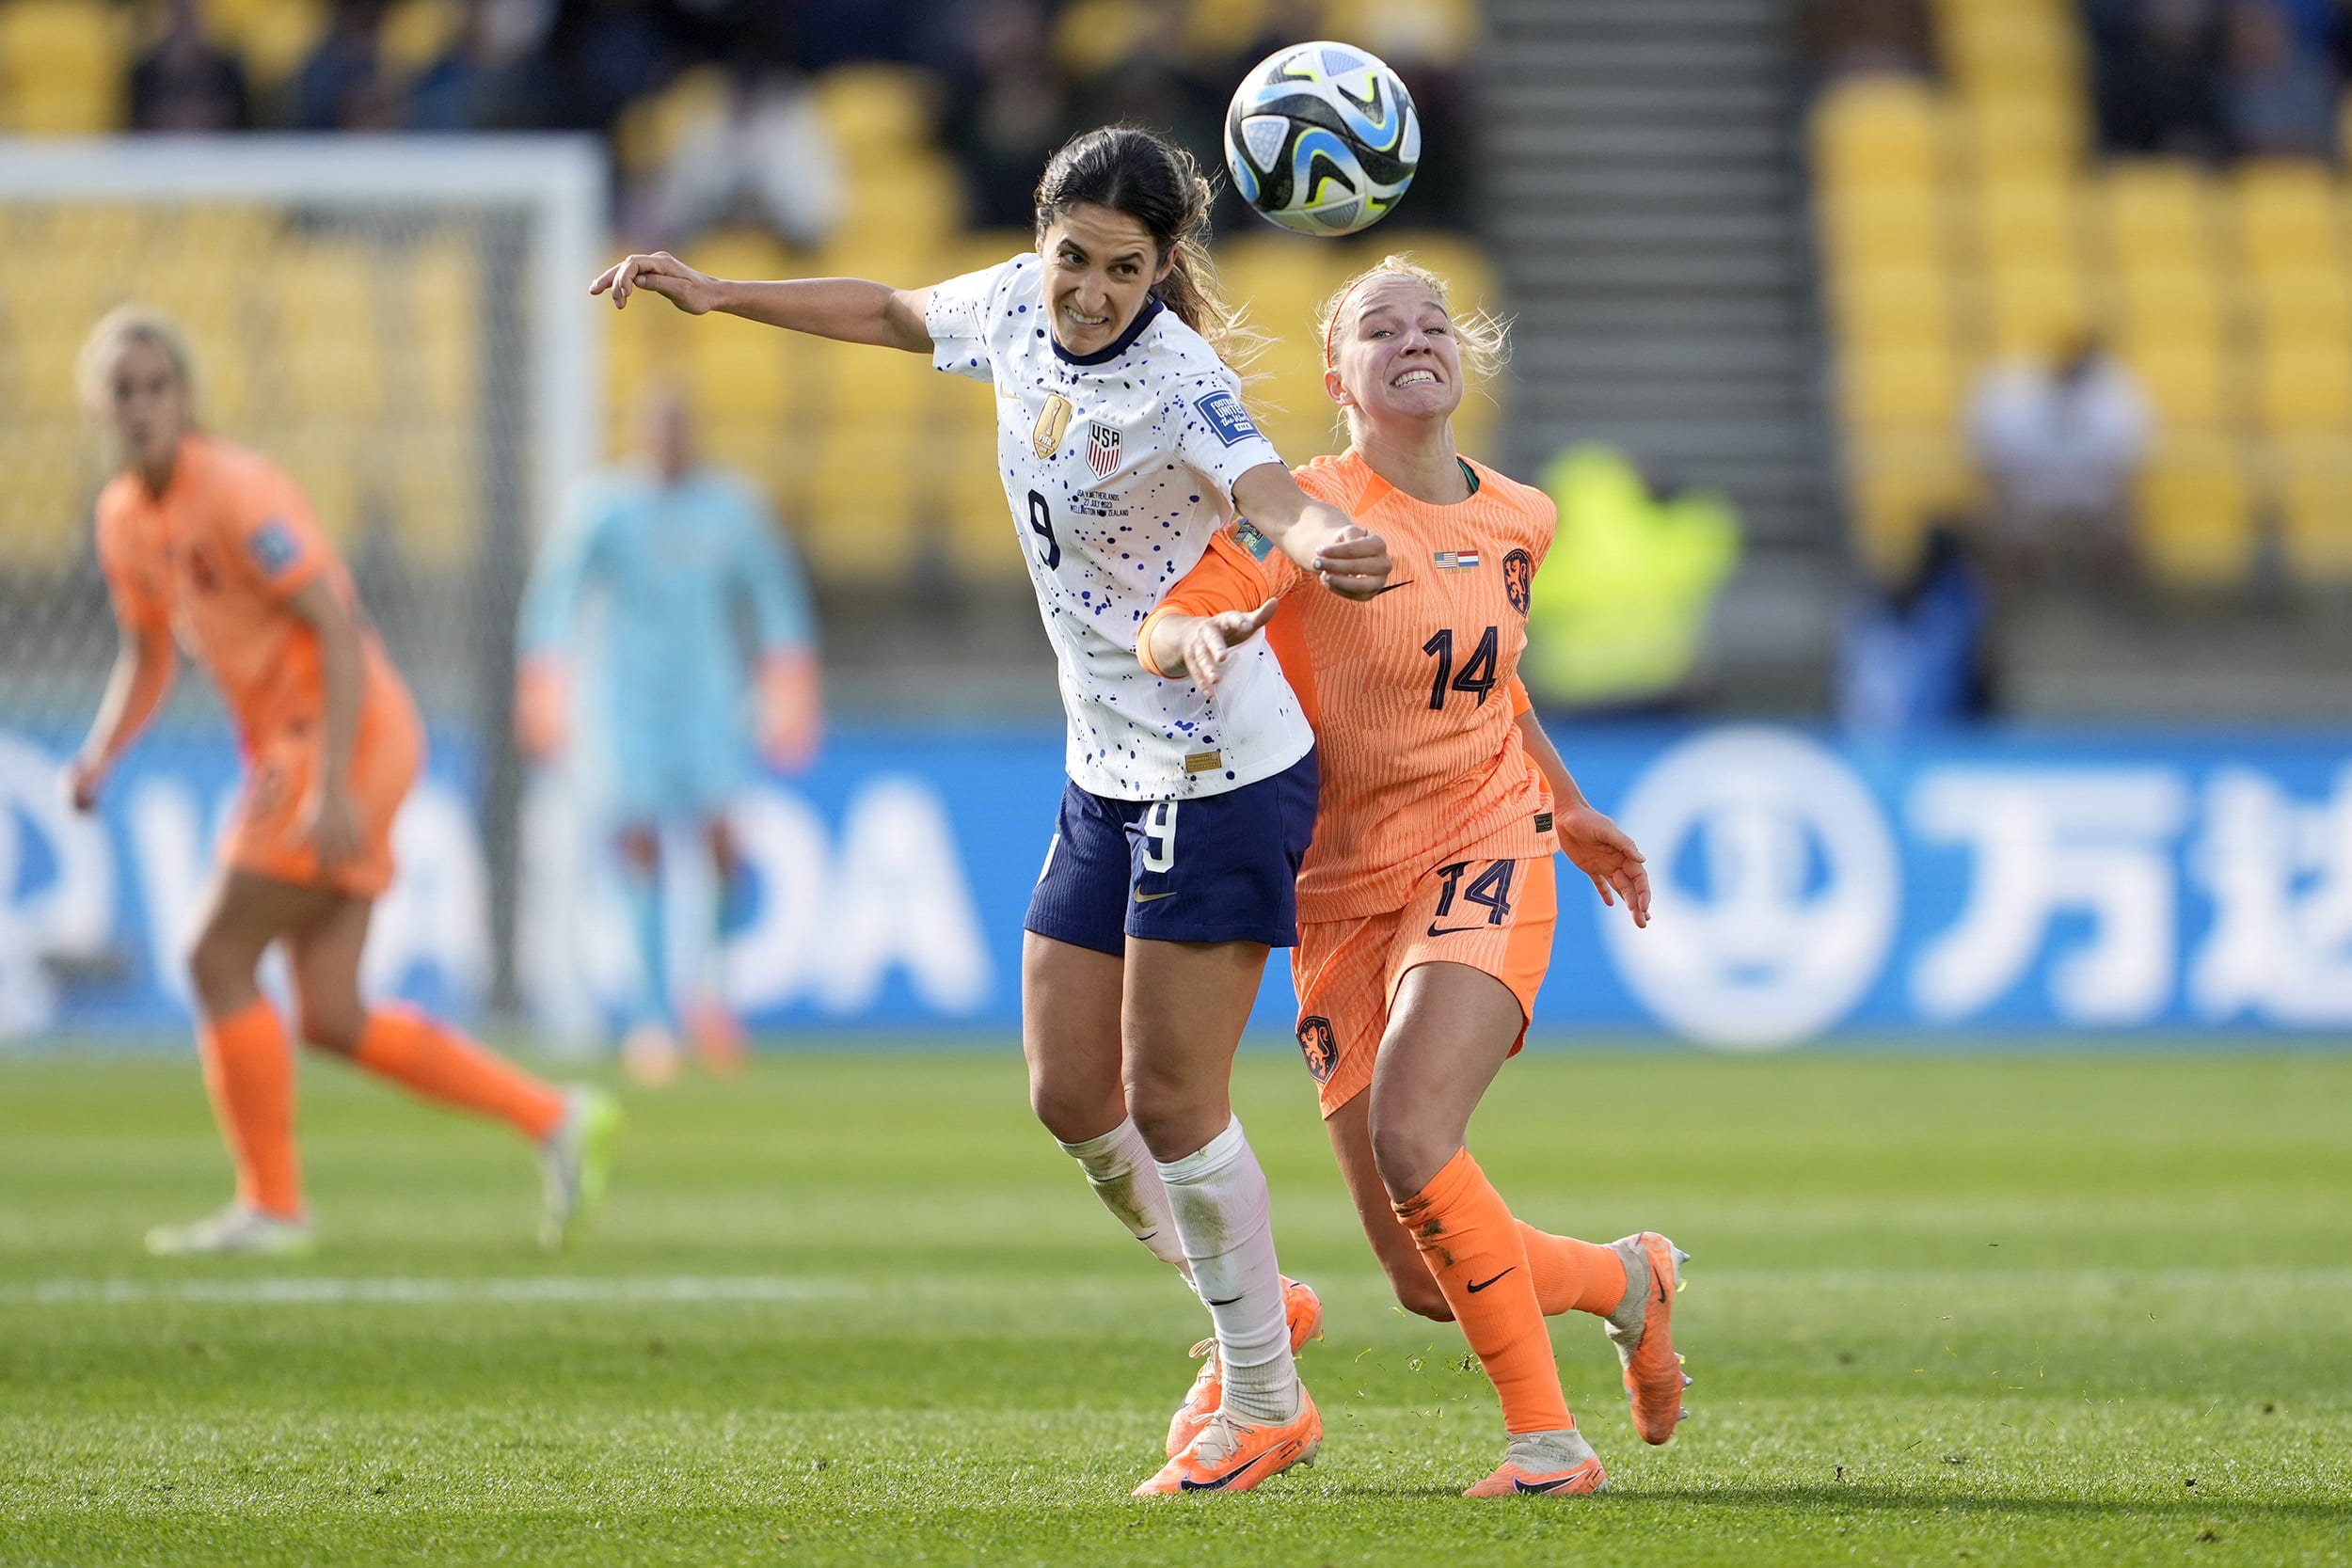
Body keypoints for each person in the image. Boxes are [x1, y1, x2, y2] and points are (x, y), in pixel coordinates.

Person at [591, 124, 1391, 1496]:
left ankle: (1265, 1393)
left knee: (1172, 1094)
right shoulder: (1014, 304)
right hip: (1106, 761)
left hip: (1219, 768)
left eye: (1119, 270)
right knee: (1069, 1095)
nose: (1085, 289)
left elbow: (1268, 492)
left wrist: (1323, 543)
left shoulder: (1177, 377)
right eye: (1071, 255)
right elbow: (895, 311)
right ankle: (1250, 1300)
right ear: (1043, 234)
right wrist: (723, 295)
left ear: (1161, 271)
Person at [1136, 257, 1686, 1497]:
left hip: (1484, 842)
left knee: (1412, 1130)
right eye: (1379, 327)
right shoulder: (1308, 512)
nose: (1414, 338)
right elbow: (1178, 613)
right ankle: (1627, 1277)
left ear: (1464, 355)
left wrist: (1568, 804)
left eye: (1433, 321)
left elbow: (1499, 682)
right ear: (1339, 375)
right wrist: (1200, 640)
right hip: (1336, 896)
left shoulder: (1521, 516)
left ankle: (1548, 1444)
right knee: (1417, 1271)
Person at [62, 307, 618, 1258]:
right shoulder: (122, 517)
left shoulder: (239, 489)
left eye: (158, 386)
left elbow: (335, 625)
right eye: (124, 389)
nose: (143, 404)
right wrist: (101, 751)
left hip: (342, 734)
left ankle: (273, 1205)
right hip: (308, 744)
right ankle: (557, 1114)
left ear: (186, 397)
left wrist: (327, 783)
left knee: (213, 956)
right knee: (329, 1012)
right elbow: (146, 653)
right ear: (97, 407)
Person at [516, 386, 821, 1084]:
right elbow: (556, 594)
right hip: (628, 701)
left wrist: (790, 682)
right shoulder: (605, 508)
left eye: (680, 432)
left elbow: (775, 597)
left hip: (711, 697)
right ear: (641, 437)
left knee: (719, 839)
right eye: (659, 432)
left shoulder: (732, 509)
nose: (670, 445)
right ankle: (651, 1016)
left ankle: (709, 992)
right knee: (642, 841)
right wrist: (543, 678)